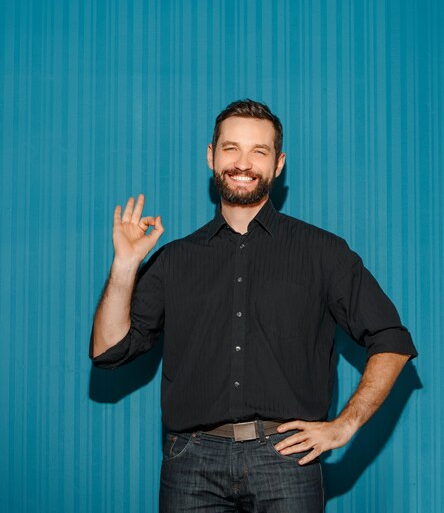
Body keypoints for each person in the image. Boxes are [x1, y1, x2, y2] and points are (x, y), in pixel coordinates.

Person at [90, 99, 417, 512]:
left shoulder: (323, 253)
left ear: (278, 164)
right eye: (230, 148)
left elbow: (392, 340)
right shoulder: (175, 259)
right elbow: (108, 351)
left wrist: (344, 425)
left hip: (286, 461)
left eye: (258, 151)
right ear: (211, 156)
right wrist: (124, 265)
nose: (242, 163)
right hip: (190, 463)